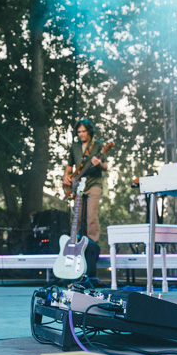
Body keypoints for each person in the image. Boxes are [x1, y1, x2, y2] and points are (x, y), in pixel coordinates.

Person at [61, 119, 109, 278]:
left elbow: (106, 167)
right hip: (77, 184)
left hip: (94, 183)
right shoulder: (74, 147)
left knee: (91, 216)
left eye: (83, 131)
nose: (81, 134)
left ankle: (92, 247)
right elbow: (69, 166)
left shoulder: (99, 145)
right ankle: (74, 247)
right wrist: (66, 177)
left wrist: (99, 163)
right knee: (77, 216)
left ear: (89, 131)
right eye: (79, 132)